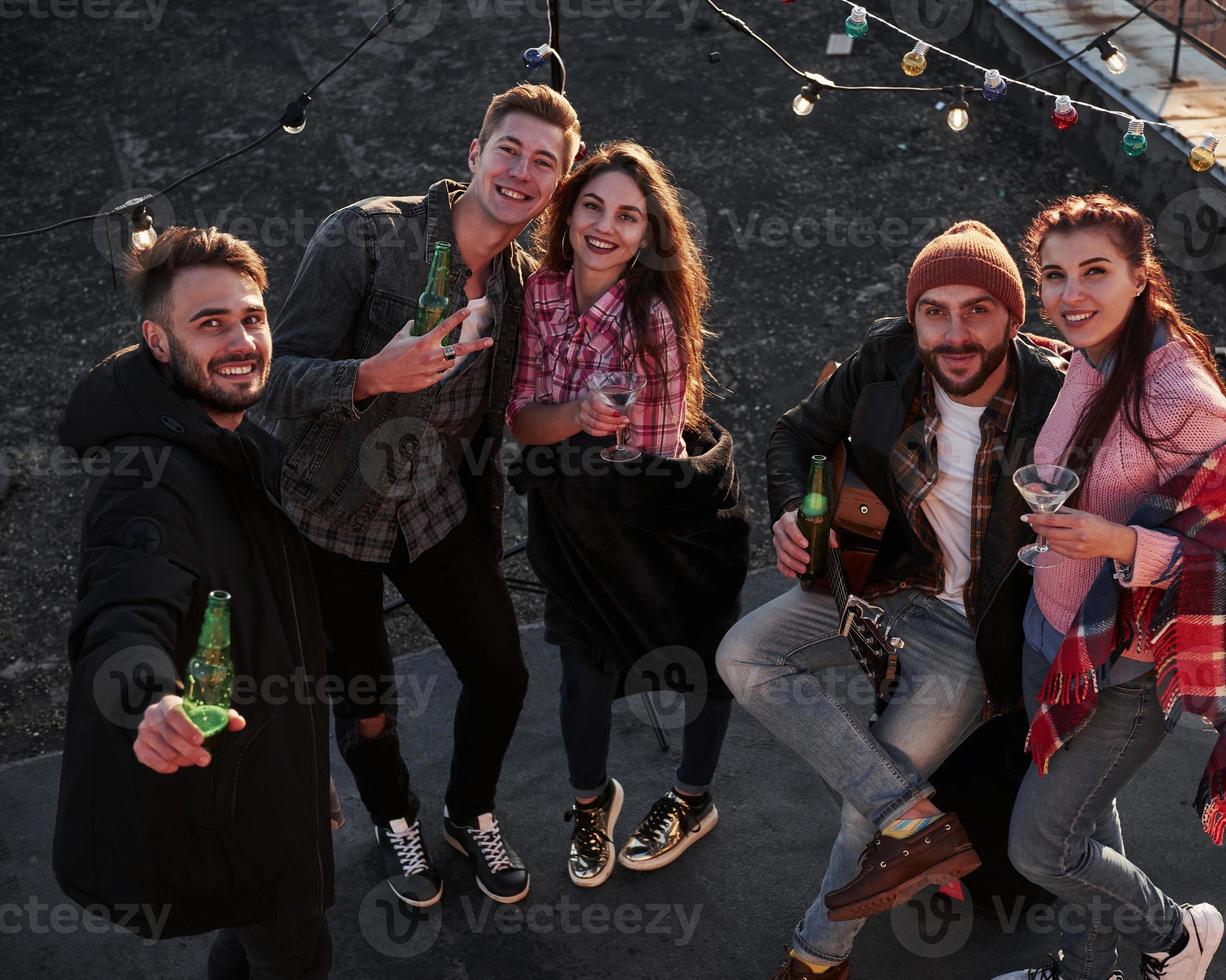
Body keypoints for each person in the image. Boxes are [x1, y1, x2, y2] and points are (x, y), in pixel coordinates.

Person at [252, 83, 581, 908]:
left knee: (502, 674)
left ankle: (469, 812)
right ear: (474, 154)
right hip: (331, 515)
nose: (521, 170)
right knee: (364, 701)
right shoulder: (364, 235)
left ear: (553, 189)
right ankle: (393, 818)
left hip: (438, 510)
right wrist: (369, 376)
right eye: (508, 149)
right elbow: (267, 382)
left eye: (544, 163)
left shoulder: (519, 286)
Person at [717, 220, 1068, 979]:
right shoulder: (885, 360)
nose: (954, 333)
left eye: (977, 309)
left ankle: (817, 957)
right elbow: (794, 433)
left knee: (860, 803)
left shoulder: (1056, 401)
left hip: (972, 633)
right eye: (934, 311)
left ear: (1013, 317)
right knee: (742, 654)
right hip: (880, 580)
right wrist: (792, 512)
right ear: (913, 318)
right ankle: (915, 824)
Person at [991, 193, 1226, 980]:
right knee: (1086, 824)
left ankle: (1176, 936)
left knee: (1039, 846)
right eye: (1053, 276)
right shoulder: (1090, 359)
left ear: (1137, 276)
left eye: (1094, 272)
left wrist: (1119, 541)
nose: (1070, 295)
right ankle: (1088, 968)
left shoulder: (1178, 397)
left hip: (1120, 669)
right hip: (1055, 638)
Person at [54, 227, 333, 978]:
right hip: (235, 814)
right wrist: (147, 700)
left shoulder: (228, 441)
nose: (241, 340)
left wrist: (306, 771)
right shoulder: (147, 479)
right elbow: (120, 611)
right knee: (295, 956)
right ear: (156, 339)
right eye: (210, 324)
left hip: (264, 781)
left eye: (252, 317)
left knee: (250, 945)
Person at [507, 140, 749, 889]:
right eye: (592, 206)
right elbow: (521, 419)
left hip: (658, 525)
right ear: (567, 212)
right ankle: (591, 803)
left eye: (627, 216)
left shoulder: (652, 323)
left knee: (701, 666)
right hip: (577, 524)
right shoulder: (542, 293)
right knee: (582, 675)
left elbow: (645, 465)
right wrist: (576, 414)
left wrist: (569, 430)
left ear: (648, 234)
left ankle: (690, 798)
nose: (605, 227)